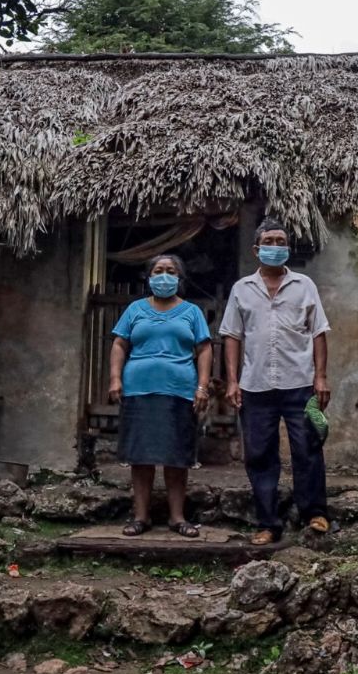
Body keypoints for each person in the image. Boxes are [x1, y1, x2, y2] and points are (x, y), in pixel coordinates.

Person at [219, 218, 332, 545]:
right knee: (259, 454)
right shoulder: (242, 289)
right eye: (269, 241)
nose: (275, 246)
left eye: (281, 241)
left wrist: (321, 377)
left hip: (300, 382)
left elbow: (319, 332)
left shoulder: (304, 285)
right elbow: (231, 336)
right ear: (257, 249)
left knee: (308, 447)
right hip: (255, 385)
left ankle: (314, 513)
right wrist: (232, 380)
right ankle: (268, 523)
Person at [108, 254, 212, 537]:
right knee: (140, 456)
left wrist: (202, 386)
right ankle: (141, 517)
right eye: (158, 271)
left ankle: (177, 518)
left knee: (176, 455)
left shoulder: (191, 312)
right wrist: (115, 379)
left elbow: (204, 349)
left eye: (170, 271)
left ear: (179, 279)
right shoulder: (135, 310)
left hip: (179, 391)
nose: (164, 276)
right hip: (138, 389)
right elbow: (119, 343)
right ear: (149, 277)